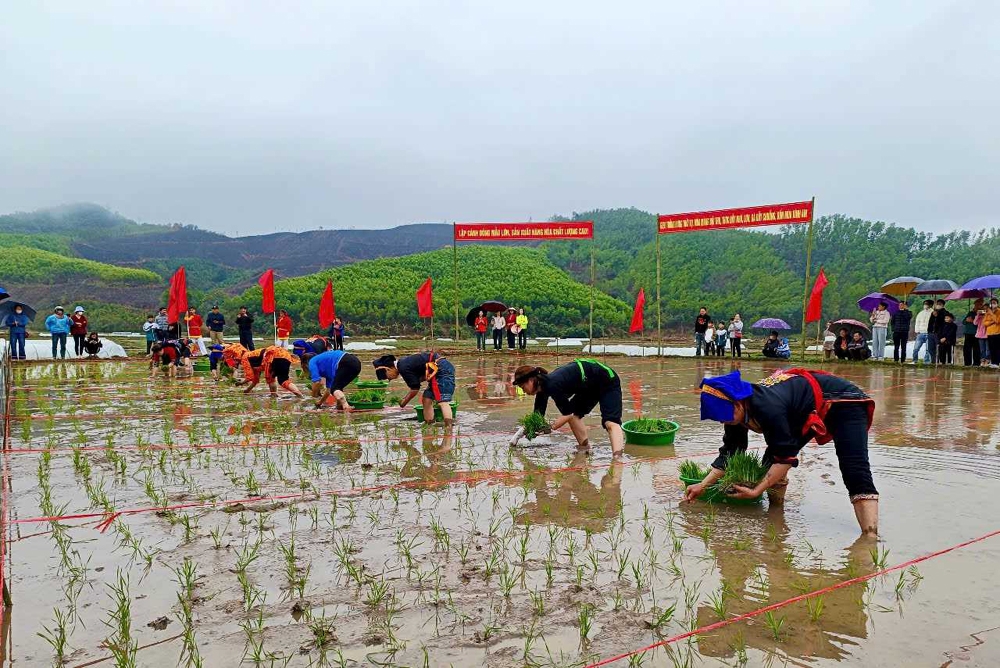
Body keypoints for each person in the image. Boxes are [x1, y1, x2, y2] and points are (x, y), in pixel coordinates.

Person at [685, 369, 878, 535]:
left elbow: (785, 458)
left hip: (844, 402)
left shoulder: (768, 408)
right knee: (770, 461)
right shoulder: (736, 410)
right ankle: (776, 514)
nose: (722, 422)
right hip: (801, 407)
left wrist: (756, 491)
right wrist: (702, 485)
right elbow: (731, 452)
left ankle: (869, 537)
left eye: (723, 416)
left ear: (737, 405)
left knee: (854, 467)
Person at [510, 359, 624, 456]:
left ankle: (617, 459)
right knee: (575, 415)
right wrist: (519, 434)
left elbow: (567, 413)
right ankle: (585, 449)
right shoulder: (542, 389)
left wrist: (551, 427)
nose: (523, 391)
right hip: (589, 385)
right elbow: (537, 417)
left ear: (530, 380)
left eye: (522, 387)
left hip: (607, 380)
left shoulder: (553, 384)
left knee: (610, 422)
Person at [373, 352, 456, 426]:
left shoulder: (403, 367)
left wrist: (404, 402)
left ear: (388, 369)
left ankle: (448, 428)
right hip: (435, 373)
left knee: (442, 400)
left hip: (442, 370)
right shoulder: (403, 365)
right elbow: (418, 379)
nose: (390, 379)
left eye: (387, 377)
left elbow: (415, 389)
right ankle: (429, 424)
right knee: (426, 399)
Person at [237, 346, 305, 397]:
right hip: (285, 355)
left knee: (272, 379)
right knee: (283, 380)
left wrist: (241, 383)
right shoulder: (252, 357)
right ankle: (299, 395)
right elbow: (255, 380)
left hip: (273, 356)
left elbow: (249, 377)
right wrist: (247, 390)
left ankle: (274, 395)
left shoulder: (245, 359)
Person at [926, 300, 951, 364]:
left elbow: (944, 322)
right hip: (931, 332)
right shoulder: (933, 312)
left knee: (940, 348)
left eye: (939, 304)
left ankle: (940, 361)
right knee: (930, 348)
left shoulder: (945, 312)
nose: (938, 305)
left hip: (939, 333)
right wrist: (928, 331)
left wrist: (938, 315)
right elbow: (930, 322)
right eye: (937, 304)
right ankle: (933, 361)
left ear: (943, 305)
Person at [963, 300, 983, 367]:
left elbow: (981, 323)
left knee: (976, 349)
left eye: (980, 304)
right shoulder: (970, 312)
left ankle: (976, 363)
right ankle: (967, 363)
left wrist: (972, 321)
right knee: (967, 349)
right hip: (967, 333)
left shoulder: (982, 313)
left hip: (977, 333)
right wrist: (966, 320)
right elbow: (963, 322)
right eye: (977, 304)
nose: (978, 306)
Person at [984, 298, 1000, 368]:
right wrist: (991, 322)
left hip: (997, 332)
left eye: (994, 303)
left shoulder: (999, 311)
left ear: (997, 304)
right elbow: (984, 323)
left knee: (997, 348)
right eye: (991, 303)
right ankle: (993, 362)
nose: (993, 304)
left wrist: (991, 314)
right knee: (991, 348)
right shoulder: (987, 312)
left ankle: (996, 363)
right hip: (989, 333)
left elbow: (997, 321)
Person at [975, 302, 990, 366]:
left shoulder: (990, 316)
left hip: (988, 334)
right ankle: (982, 361)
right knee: (982, 349)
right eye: (984, 309)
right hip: (980, 335)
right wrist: (978, 315)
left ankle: (987, 360)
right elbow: (975, 323)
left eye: (987, 308)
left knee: (988, 349)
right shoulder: (980, 317)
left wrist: (988, 314)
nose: (985, 310)